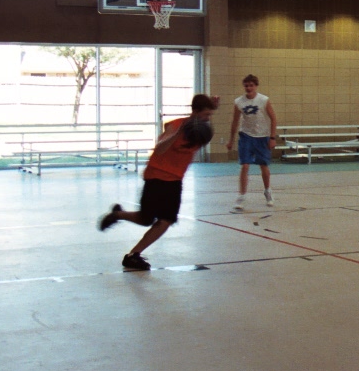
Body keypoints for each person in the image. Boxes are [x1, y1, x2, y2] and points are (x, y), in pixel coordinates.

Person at [98, 94, 219, 270]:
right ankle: (118, 215)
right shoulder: (176, 126)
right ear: (195, 112)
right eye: (205, 115)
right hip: (156, 177)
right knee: (146, 219)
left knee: (166, 220)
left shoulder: (202, 131)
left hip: (175, 180)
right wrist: (176, 134)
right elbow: (160, 147)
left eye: (210, 115)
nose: (208, 119)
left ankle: (133, 255)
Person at [227, 74, 278, 210]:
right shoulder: (239, 102)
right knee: (244, 165)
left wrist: (272, 138)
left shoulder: (264, 100)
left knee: (263, 166)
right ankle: (241, 196)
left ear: (256, 86)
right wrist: (231, 140)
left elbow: (273, 119)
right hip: (246, 136)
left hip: (262, 136)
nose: (249, 88)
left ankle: (268, 191)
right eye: (246, 85)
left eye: (251, 85)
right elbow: (235, 121)